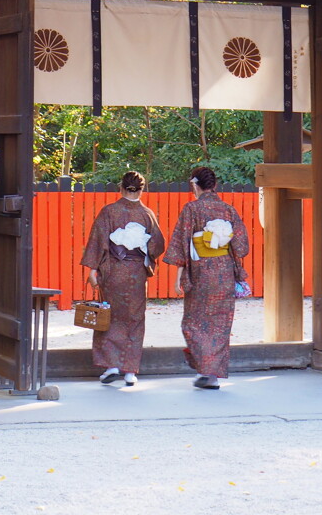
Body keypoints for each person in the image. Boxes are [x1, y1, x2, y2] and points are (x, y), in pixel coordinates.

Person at [164, 165, 249, 390]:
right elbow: (241, 247)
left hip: (200, 271)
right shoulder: (229, 211)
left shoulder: (191, 209)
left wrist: (178, 277)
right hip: (224, 271)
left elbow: (182, 244)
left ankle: (206, 369)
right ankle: (211, 373)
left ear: (194, 185)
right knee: (220, 324)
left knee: (194, 322)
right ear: (215, 186)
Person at [81, 170, 165, 387]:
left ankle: (111, 366)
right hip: (136, 272)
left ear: (121, 187)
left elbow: (98, 240)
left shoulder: (109, 212)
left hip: (113, 270)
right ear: (142, 189)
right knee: (134, 319)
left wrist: (92, 270)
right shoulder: (147, 214)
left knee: (110, 315)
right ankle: (130, 371)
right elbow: (157, 244)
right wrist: (145, 256)